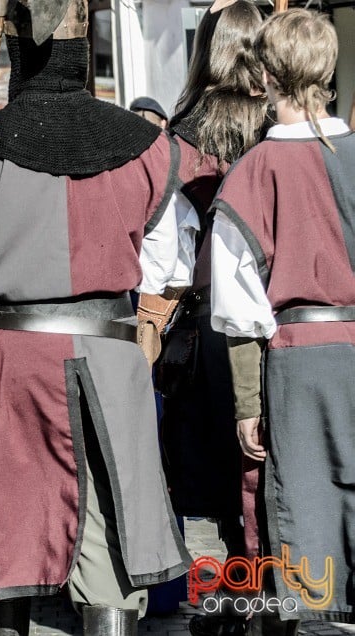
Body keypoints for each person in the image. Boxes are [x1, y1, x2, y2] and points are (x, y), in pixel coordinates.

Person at [0, 0, 193, 633]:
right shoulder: (148, 146)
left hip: (10, 358)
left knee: (6, 519)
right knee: (106, 527)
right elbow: (169, 259)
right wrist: (146, 322)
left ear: (15, 60)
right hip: (111, 352)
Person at [209, 9, 353, 634]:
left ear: (264, 76)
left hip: (300, 361)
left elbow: (239, 305)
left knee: (302, 509)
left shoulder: (250, 174)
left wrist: (246, 402)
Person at [151, 4, 268, 635]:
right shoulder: (277, 124)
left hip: (206, 320)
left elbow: (167, 245)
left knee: (223, 480)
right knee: (258, 469)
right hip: (274, 315)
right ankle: (256, 598)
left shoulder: (182, 131)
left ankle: (231, 597)